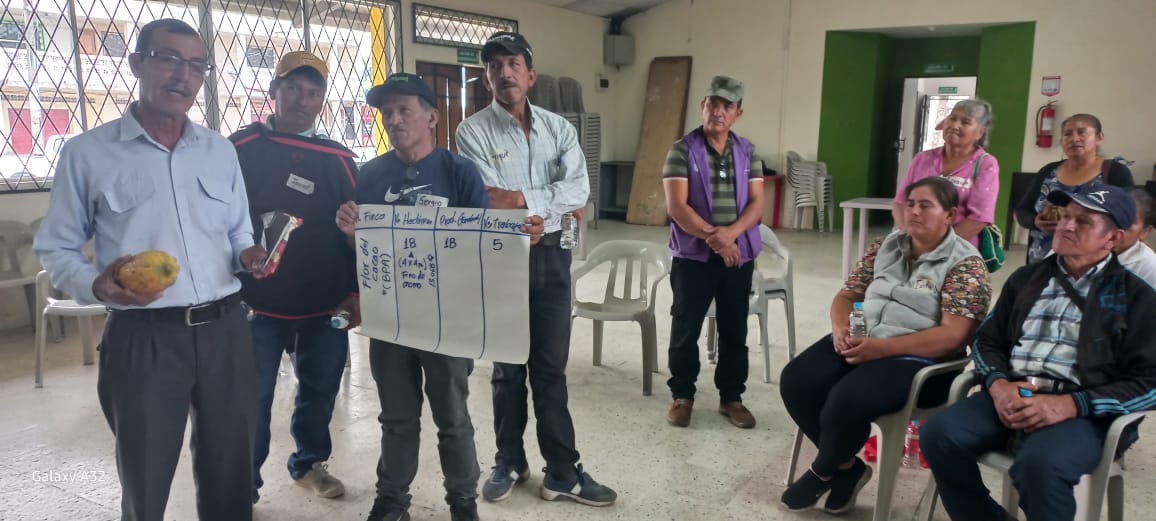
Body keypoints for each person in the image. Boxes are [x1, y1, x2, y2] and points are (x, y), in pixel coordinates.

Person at [32, 19, 266, 521]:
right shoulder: (89, 153)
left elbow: (238, 233)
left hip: (226, 330)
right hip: (145, 337)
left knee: (232, 469)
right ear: (138, 63)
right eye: (168, 59)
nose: (183, 75)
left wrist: (250, 256)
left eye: (196, 65)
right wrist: (97, 285)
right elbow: (56, 248)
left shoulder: (219, 150)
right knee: (146, 471)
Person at [335, 72, 544, 521]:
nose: (394, 119)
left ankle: (462, 501)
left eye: (404, 110)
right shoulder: (371, 175)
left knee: (452, 418)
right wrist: (352, 233)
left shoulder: (458, 172)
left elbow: (484, 243)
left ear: (431, 118)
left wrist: (520, 235)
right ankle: (392, 500)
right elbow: (365, 251)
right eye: (387, 112)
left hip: (448, 323)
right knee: (396, 418)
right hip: (390, 321)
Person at [920, 184, 1156, 521]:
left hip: (1085, 413)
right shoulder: (1027, 279)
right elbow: (987, 340)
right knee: (939, 434)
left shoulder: (1136, 297)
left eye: (1083, 221)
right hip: (1015, 393)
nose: (1066, 225)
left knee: (1040, 466)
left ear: (1113, 238)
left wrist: (1071, 404)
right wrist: (999, 385)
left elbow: (1149, 382)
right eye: (1066, 216)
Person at [454, 31, 617, 507]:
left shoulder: (559, 129)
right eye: (494, 66)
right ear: (486, 78)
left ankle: (562, 471)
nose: (504, 72)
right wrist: (548, 203)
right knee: (507, 369)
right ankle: (509, 460)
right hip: (502, 259)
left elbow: (579, 190)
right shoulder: (472, 132)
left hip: (553, 258)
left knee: (550, 369)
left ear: (530, 75)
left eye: (513, 63)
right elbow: (487, 198)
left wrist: (525, 201)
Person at [779, 176, 991, 513]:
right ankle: (848, 468)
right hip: (866, 338)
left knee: (846, 399)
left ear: (950, 215)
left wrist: (882, 349)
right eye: (911, 204)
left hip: (922, 360)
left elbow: (954, 335)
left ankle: (822, 471)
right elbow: (848, 294)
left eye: (925, 205)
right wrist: (841, 329)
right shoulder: (887, 246)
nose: (914, 212)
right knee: (797, 380)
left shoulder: (966, 264)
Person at [228, 50, 359, 504]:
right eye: (293, 89)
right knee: (253, 395)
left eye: (313, 92)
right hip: (257, 302)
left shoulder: (337, 158)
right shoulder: (239, 148)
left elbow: (359, 232)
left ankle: (309, 463)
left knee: (319, 389)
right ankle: (244, 483)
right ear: (274, 91)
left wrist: (355, 292)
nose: (303, 100)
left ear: (322, 100)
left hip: (324, 302)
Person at [661, 74, 764, 429]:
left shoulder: (748, 151)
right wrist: (714, 238)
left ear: (738, 113)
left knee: (735, 328)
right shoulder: (681, 150)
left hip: (737, 257)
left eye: (727, 105)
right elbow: (677, 207)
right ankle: (682, 395)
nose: (718, 111)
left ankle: (731, 397)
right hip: (693, 257)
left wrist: (731, 235)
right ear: (702, 106)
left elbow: (756, 204)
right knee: (685, 326)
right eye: (712, 103)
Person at [1016, 113, 1134, 263]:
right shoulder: (1048, 171)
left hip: (1089, 263)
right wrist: (1035, 222)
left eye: (1081, 132)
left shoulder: (1115, 172)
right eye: (1067, 134)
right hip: (1040, 261)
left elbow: (1128, 220)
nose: (1074, 138)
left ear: (1099, 137)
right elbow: (1022, 210)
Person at [892, 98, 999, 247]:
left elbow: (979, 217)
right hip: (913, 246)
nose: (955, 125)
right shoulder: (922, 158)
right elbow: (900, 203)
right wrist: (912, 240)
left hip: (958, 248)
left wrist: (937, 246)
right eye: (952, 118)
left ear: (980, 132)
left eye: (965, 122)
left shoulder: (986, 164)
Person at [1114, 187, 1156, 285]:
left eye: (1129, 219)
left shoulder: (1150, 267)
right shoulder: (1093, 245)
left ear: (1144, 232)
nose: (1117, 222)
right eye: (1114, 214)